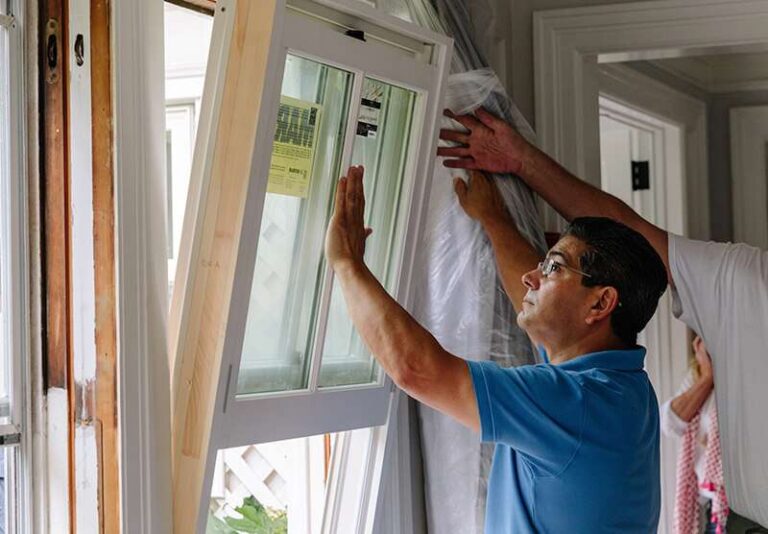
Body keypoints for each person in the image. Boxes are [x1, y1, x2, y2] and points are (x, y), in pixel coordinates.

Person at [438, 107, 768, 532]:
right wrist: (517, 165)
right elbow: (625, 235)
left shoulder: (589, 395)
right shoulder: (750, 280)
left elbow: (420, 369)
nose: (538, 278)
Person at [325, 165, 667, 532]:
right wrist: (493, 219)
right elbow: (534, 301)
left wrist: (347, 264)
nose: (531, 278)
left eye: (553, 267)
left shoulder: (574, 402)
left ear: (600, 305)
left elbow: (417, 369)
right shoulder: (618, 386)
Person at [661, 336, 728, 534]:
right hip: (713, 507)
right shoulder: (698, 376)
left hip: (745, 506)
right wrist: (708, 377)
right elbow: (669, 424)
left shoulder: (749, 375)